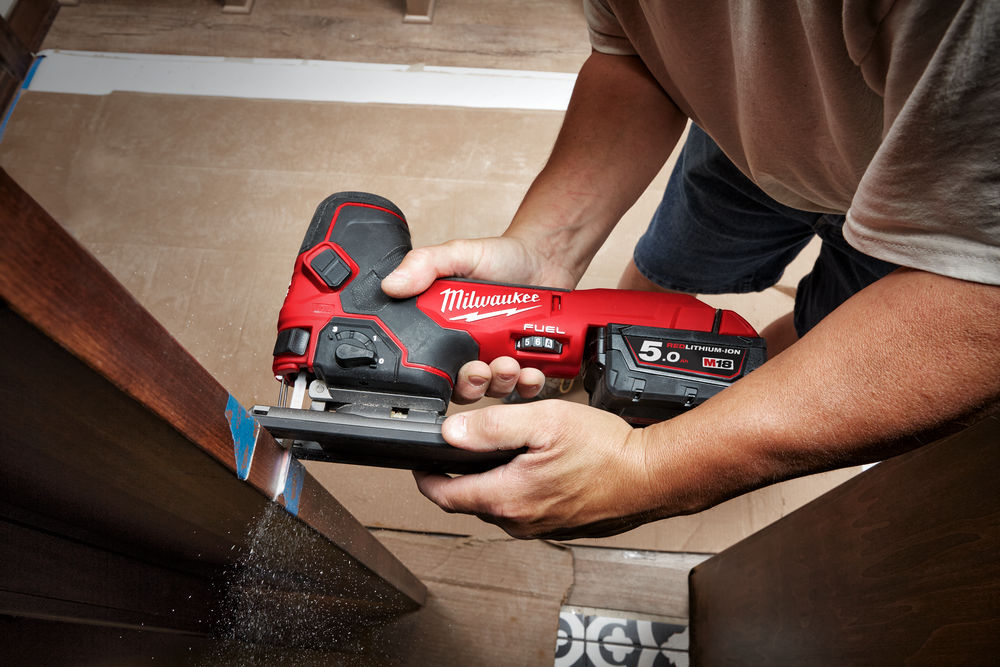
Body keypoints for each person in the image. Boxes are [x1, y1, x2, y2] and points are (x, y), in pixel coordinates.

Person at [381, 1, 1000, 540]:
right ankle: (619, 382)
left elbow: (982, 298)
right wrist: (546, 248)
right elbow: (633, 55)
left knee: (820, 343)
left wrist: (650, 467)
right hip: (743, 141)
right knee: (661, 275)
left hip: (939, 219)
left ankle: (701, 396)